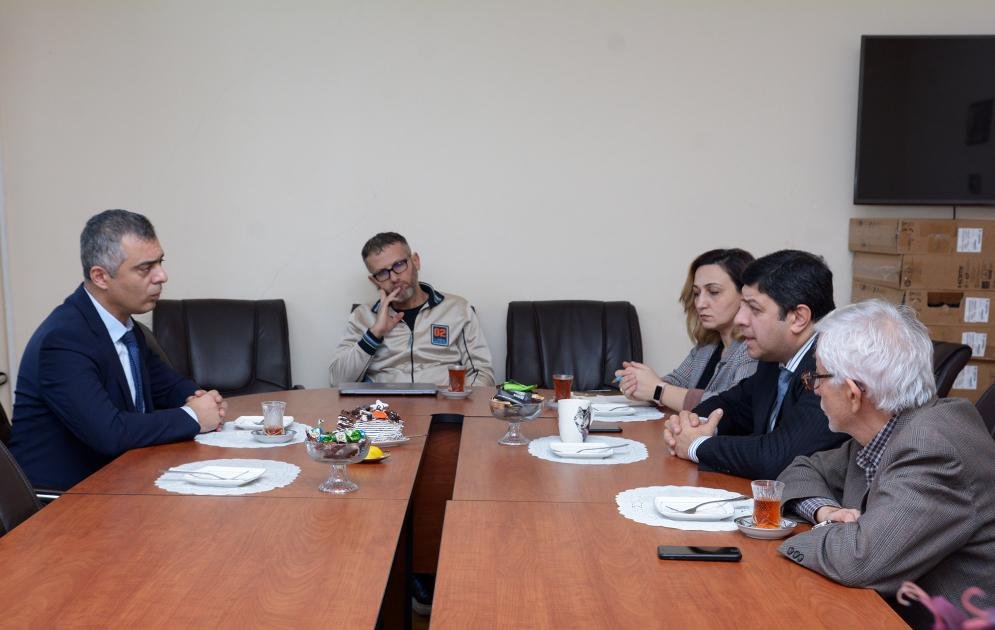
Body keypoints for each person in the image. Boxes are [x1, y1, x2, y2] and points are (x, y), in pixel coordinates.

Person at [776, 299, 995, 626]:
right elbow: (803, 469)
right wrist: (826, 511)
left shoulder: (933, 448)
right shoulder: (887, 428)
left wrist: (804, 534)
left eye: (818, 376)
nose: (815, 389)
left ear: (853, 393)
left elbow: (858, 560)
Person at [9, 210, 226, 491]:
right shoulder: (63, 340)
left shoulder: (125, 328)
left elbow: (167, 386)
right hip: (66, 500)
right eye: (145, 268)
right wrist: (194, 416)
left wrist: (200, 398)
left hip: (123, 481)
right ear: (100, 276)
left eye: (160, 262)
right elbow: (109, 433)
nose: (162, 276)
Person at [663, 249, 847, 479]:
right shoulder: (773, 358)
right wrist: (689, 423)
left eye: (755, 309)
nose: (740, 319)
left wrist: (695, 445)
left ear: (798, 318)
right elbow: (732, 405)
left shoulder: (831, 369)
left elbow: (777, 458)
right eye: (742, 306)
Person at [329, 231, 495, 388]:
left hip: (444, 402)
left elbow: (482, 373)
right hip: (384, 406)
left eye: (399, 265)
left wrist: (457, 402)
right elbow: (337, 382)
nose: (394, 278)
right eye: (382, 273)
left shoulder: (457, 309)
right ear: (374, 281)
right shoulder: (362, 316)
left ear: (415, 261)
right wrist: (375, 333)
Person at [616, 248, 758, 410]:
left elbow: (733, 407)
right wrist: (640, 384)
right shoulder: (706, 348)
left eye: (713, 292)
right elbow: (677, 382)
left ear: (745, 295)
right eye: (696, 293)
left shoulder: (754, 349)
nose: (700, 303)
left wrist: (657, 390)